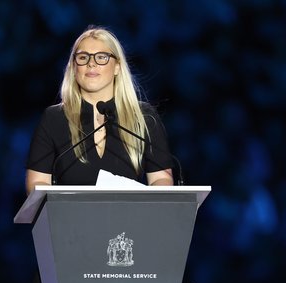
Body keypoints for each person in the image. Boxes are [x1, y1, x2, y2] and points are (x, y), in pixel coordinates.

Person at [25, 25, 174, 193]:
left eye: (101, 57)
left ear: (117, 66)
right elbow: (38, 181)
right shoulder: (54, 118)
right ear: (74, 67)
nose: (91, 64)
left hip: (128, 218)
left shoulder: (143, 116)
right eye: (83, 58)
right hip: (71, 217)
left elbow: (161, 178)